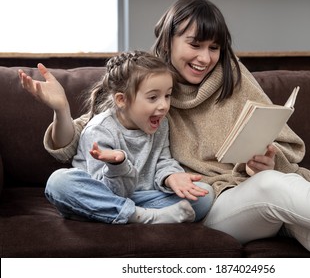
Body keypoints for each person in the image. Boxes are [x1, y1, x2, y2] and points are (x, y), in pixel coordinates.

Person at [19, 0, 310, 257]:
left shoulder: (232, 74)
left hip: (237, 192)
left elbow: (284, 144)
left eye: (214, 47)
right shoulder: (140, 81)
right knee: (276, 191)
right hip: (208, 202)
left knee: (295, 210)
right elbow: (77, 147)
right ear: (168, 39)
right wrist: (60, 109)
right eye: (195, 44)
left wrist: (265, 158)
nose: (205, 58)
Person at [19, 50, 215, 224]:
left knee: (204, 195)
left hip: (141, 197)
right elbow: (108, 191)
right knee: (58, 183)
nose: (163, 105)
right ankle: (143, 217)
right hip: (104, 195)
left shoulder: (160, 123)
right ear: (122, 100)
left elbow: (163, 160)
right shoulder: (100, 129)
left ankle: (113, 215)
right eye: (153, 97)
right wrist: (118, 164)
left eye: (168, 95)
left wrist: (171, 176)